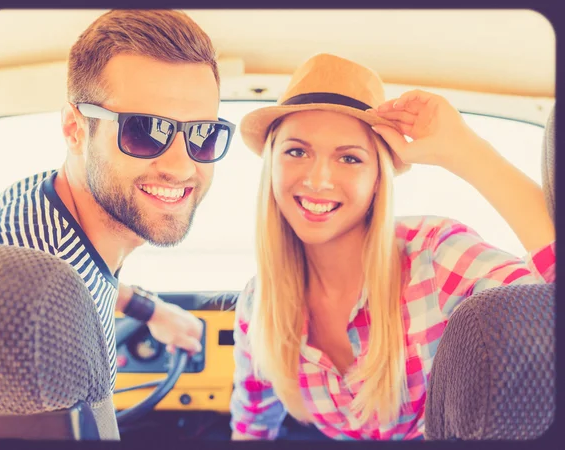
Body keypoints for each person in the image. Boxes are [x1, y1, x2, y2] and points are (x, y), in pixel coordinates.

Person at [229, 53, 555, 440]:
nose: (318, 180)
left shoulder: (436, 257)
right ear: (272, 166)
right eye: (296, 151)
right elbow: (252, 424)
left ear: (378, 180)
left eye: (349, 158)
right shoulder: (257, 302)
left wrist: (465, 151)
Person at [0, 9, 236, 392]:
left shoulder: (41, 207)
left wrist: (150, 310)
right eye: (146, 130)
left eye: (202, 133)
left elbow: (85, 271)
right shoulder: (45, 323)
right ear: (75, 129)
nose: (182, 167)